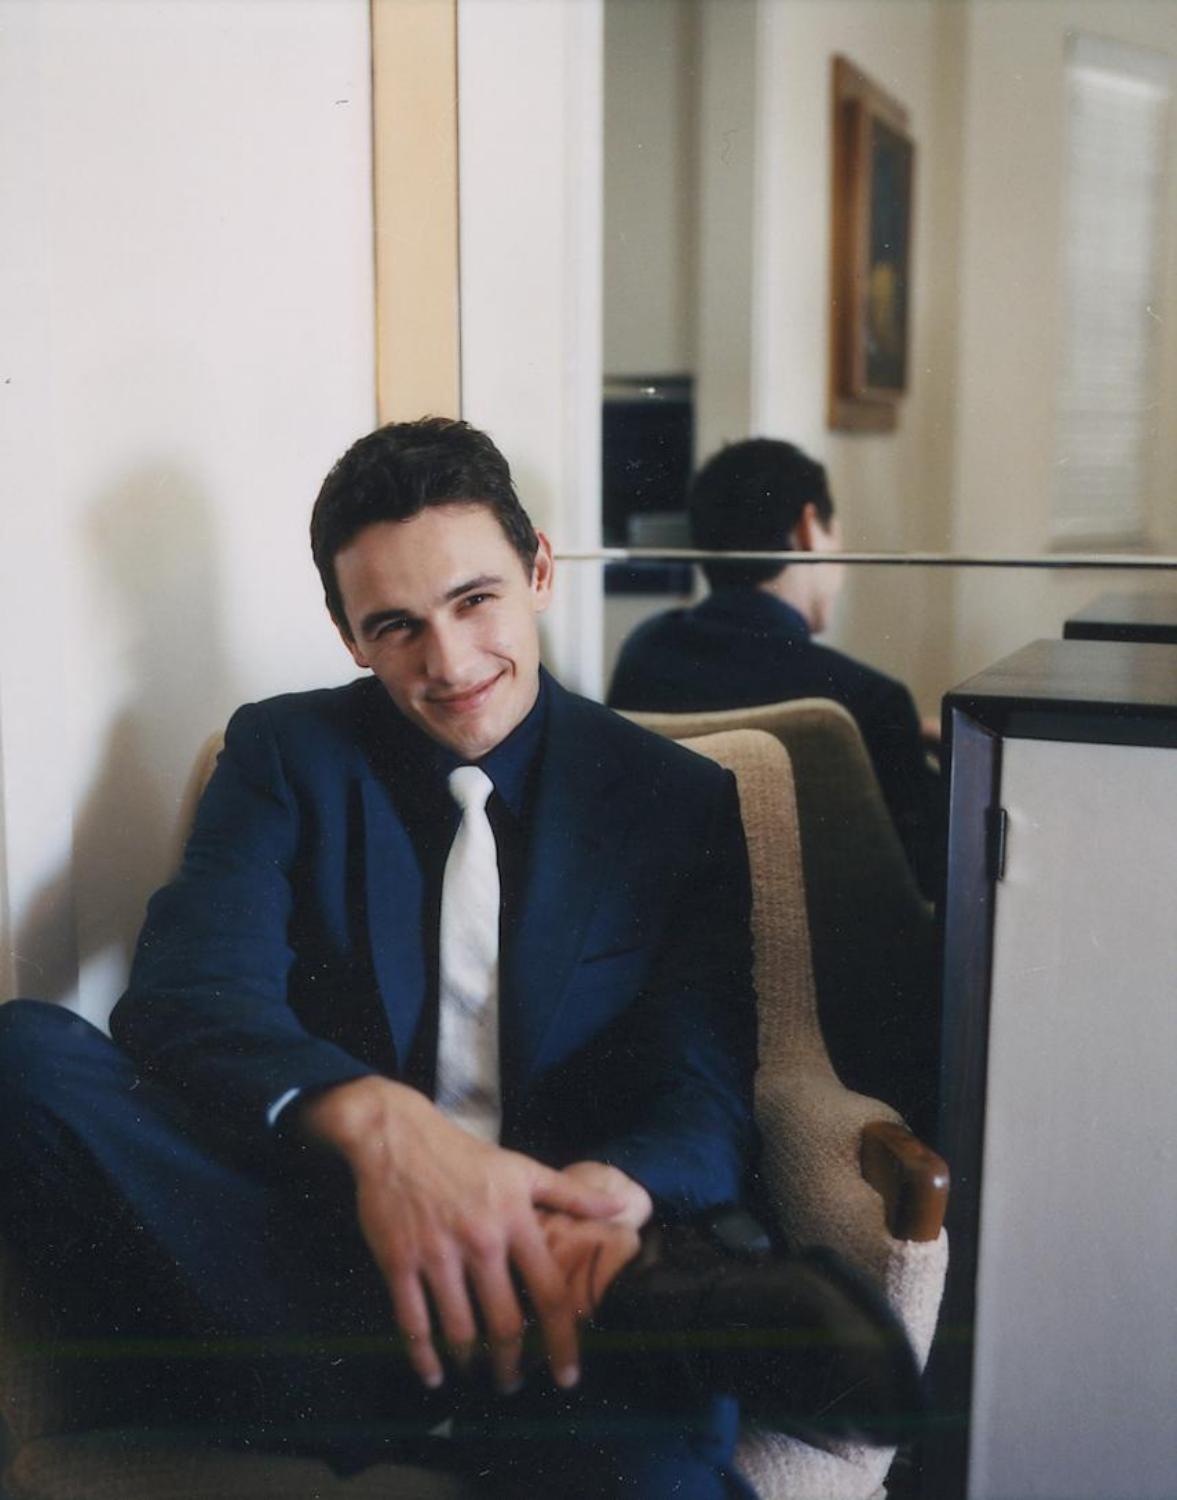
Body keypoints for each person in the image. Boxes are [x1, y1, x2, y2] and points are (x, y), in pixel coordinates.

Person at [0, 419, 918, 1498]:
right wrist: (379, 1127)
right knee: (27, 1054)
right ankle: (608, 1320)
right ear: (349, 635)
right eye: (396, 625)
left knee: (646, 1441)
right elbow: (188, 997)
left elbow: (701, 1082)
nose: (447, 663)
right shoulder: (282, 755)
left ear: (539, 571)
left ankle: (594, 1309)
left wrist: (603, 1194)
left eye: (474, 599)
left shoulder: (672, 797)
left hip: (559, 1280)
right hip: (320, 1265)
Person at [607, 439, 941, 901]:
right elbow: (931, 878)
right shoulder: (870, 700)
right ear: (808, 528)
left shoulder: (644, 655)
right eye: (835, 535)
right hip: (840, 946)